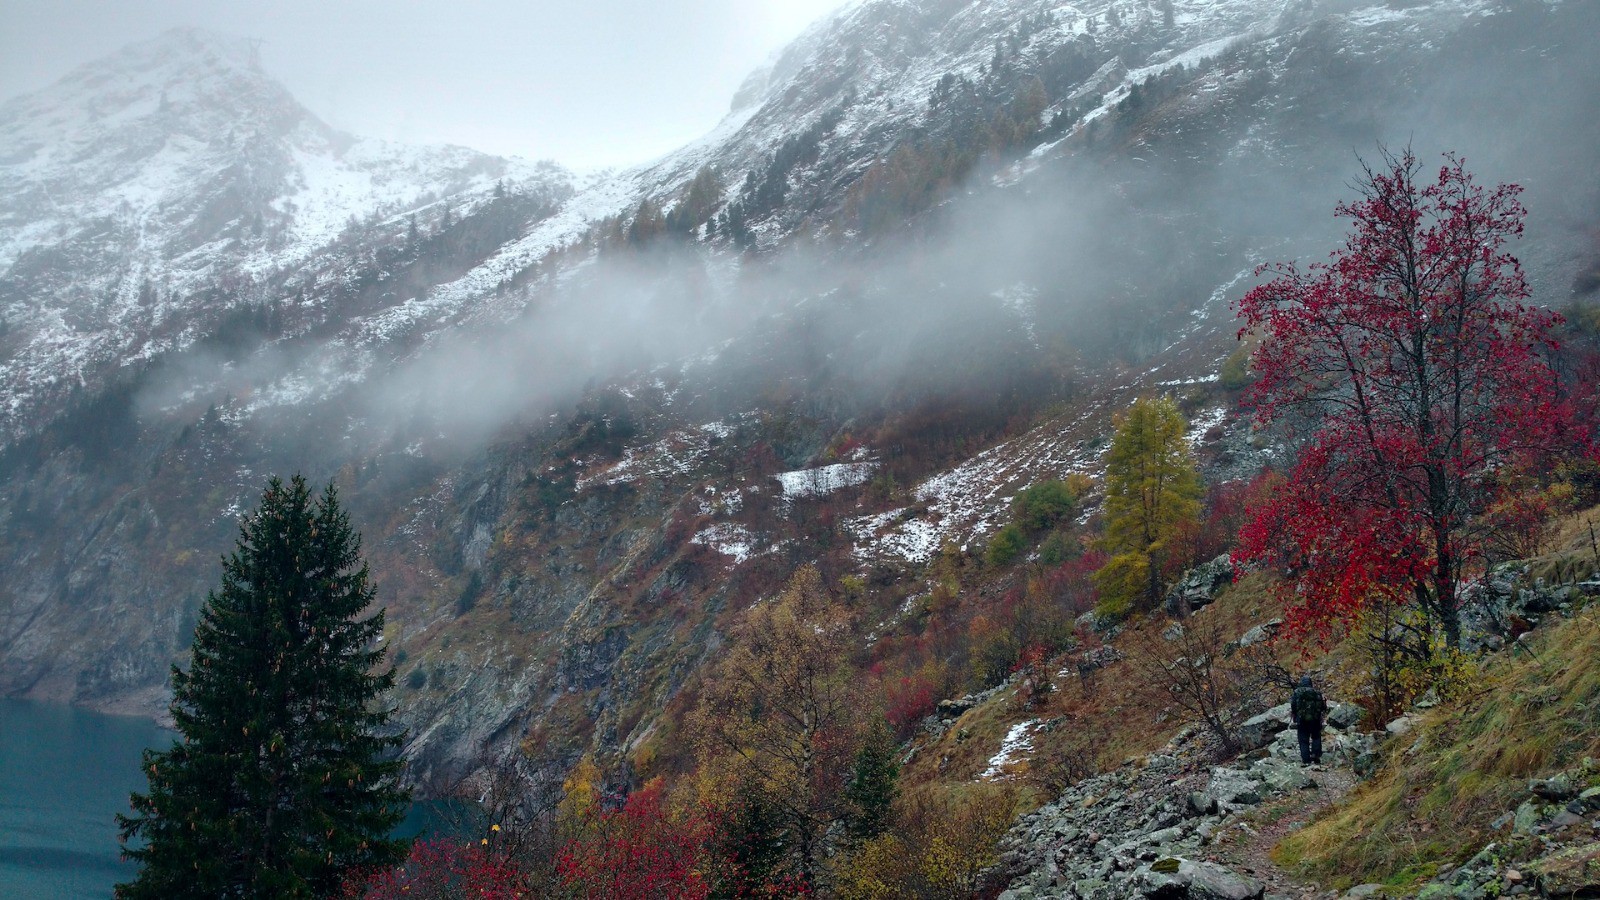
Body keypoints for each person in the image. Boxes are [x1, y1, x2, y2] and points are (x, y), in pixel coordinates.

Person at [1290, 674, 1326, 765]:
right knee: (1316, 737)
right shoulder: (1317, 692)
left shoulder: (1297, 692)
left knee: (1303, 739)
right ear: (1310, 683)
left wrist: (1295, 715)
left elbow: (1293, 705)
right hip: (1315, 719)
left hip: (1301, 719)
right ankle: (1316, 755)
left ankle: (1306, 760)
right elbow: (1322, 706)